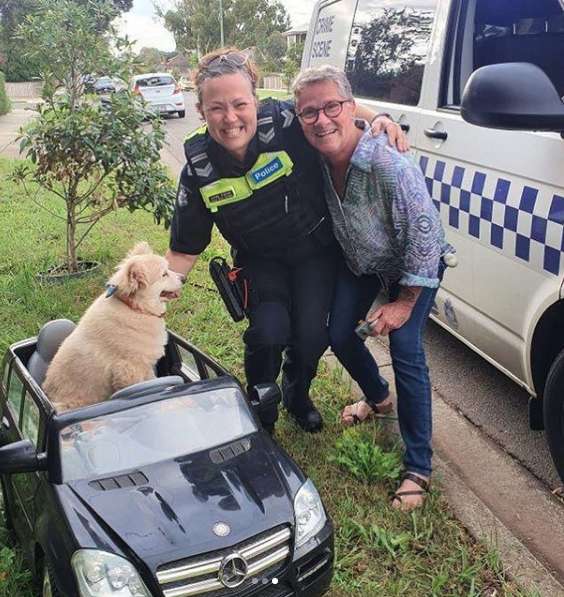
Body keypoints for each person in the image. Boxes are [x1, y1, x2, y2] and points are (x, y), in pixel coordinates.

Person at [166, 48, 407, 434]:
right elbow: (183, 249)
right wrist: (155, 293)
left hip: (314, 252)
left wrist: (379, 118)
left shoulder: (282, 122)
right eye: (216, 109)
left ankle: (297, 393)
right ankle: (262, 409)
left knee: (312, 335)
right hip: (259, 260)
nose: (230, 118)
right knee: (269, 332)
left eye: (240, 104)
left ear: (255, 101)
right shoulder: (199, 168)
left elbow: (330, 106)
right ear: (200, 110)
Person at [292, 65, 454, 510]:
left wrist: (403, 302)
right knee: (340, 333)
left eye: (332, 107)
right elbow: (311, 109)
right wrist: (376, 113)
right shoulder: (317, 156)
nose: (322, 120)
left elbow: (426, 237)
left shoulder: (389, 164)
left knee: (405, 345)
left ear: (349, 107)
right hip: (362, 261)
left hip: (412, 266)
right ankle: (380, 399)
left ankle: (418, 466)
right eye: (310, 112)